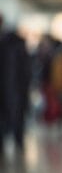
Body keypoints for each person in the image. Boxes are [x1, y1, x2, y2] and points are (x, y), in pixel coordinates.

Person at [0, 14, 31, 154]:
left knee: (14, 116)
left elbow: (24, 69)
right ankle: (17, 143)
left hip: (13, 88)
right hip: (14, 88)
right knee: (15, 116)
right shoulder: (16, 42)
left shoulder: (14, 42)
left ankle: (17, 143)